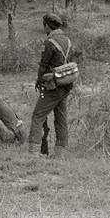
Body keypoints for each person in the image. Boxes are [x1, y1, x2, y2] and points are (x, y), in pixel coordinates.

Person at [28, 13, 74, 159]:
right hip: (65, 85)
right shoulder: (68, 41)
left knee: (37, 116)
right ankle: (59, 154)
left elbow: (43, 66)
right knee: (61, 119)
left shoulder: (49, 43)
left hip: (52, 86)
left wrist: (38, 80)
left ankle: (33, 153)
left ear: (47, 26)